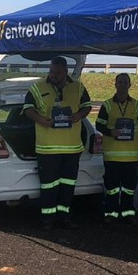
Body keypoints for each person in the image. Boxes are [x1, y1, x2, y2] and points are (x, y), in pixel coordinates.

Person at [23, 57, 91, 230]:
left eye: (57, 73)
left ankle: (64, 217)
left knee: (68, 185)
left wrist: (80, 115)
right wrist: (41, 120)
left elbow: (87, 106)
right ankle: (47, 220)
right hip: (47, 148)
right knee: (48, 186)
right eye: (52, 71)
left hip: (72, 147)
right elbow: (27, 109)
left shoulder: (78, 86)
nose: (53, 75)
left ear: (66, 71)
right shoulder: (37, 87)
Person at [95, 73, 138, 226]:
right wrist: (111, 132)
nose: (122, 84)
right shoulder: (107, 105)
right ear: (115, 84)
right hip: (112, 155)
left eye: (125, 82)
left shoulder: (137, 105)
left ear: (129, 85)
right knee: (112, 188)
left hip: (131, 156)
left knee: (129, 188)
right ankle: (111, 214)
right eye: (120, 82)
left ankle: (127, 214)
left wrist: (131, 129)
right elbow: (99, 125)